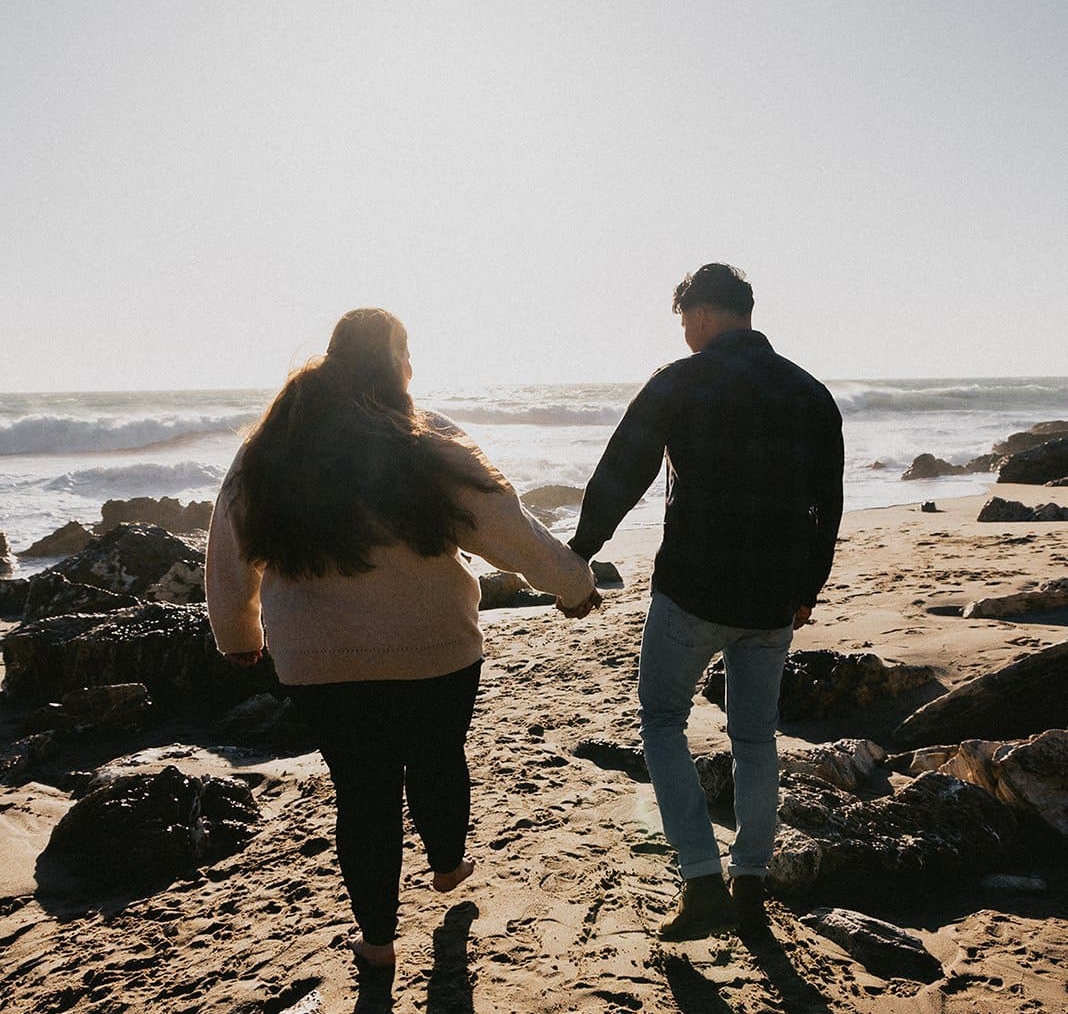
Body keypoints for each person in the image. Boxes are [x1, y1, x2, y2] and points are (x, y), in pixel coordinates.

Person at [206, 308, 599, 972]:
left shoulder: (270, 448)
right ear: (394, 364)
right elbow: (506, 526)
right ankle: (447, 865)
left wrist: (237, 632)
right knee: (438, 756)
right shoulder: (427, 439)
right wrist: (573, 584)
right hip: (435, 648)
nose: (412, 366)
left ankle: (379, 942)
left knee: (364, 795)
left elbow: (229, 544)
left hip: (321, 661)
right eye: (406, 353)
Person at [569, 264, 843, 937]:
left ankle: (700, 880)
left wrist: (579, 554)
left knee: (662, 721)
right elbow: (827, 504)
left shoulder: (680, 381)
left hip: (692, 590)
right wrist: (808, 588)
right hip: (773, 598)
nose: (685, 333)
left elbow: (624, 469)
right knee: (754, 737)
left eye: (684, 320)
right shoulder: (809, 393)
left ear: (699, 314)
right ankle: (749, 882)